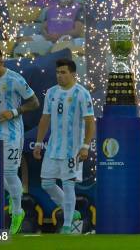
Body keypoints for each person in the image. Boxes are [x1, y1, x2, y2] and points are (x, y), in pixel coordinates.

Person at [0, 46, 40, 234]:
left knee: (10, 173)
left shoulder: (15, 79)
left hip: (11, 133)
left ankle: (18, 212)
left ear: (1, 61)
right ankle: (13, 195)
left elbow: (34, 103)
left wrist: (14, 112)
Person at [32, 58, 96, 234]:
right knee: (46, 183)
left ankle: (67, 225)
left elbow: (90, 122)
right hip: (53, 147)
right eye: (58, 72)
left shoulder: (82, 93)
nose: (59, 76)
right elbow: (45, 119)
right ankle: (71, 211)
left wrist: (85, 146)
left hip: (72, 149)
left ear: (73, 74)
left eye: (63, 72)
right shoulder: (52, 93)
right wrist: (38, 142)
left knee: (68, 184)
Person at [80, 0, 110, 117]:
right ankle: (98, 98)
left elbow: (100, 17)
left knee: (96, 70)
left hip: (96, 38)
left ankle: (99, 101)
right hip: (96, 36)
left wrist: (96, 34)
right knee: (96, 69)